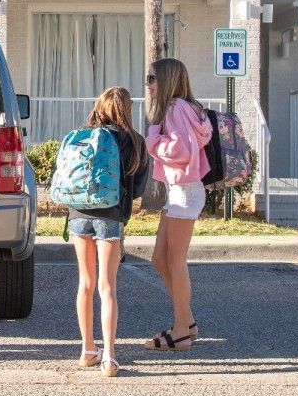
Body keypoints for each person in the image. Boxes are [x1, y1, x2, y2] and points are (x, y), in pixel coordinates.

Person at [65, 86, 149, 377]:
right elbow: (138, 188)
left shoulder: (84, 136)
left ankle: (88, 350)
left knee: (85, 283)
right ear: (127, 109)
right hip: (111, 215)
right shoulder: (135, 142)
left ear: (99, 107)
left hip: (78, 214)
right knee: (107, 286)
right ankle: (110, 357)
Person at [142, 56, 212, 352]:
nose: (148, 85)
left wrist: (153, 138)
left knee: (175, 261)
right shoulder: (186, 108)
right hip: (181, 191)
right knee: (159, 259)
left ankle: (182, 331)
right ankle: (188, 320)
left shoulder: (174, 109)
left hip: (184, 192)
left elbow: (181, 150)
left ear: (167, 80)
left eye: (152, 79)